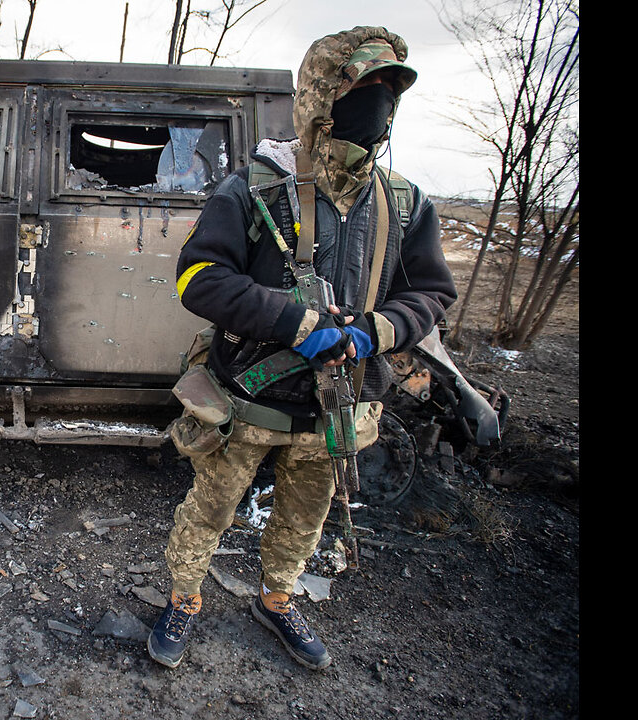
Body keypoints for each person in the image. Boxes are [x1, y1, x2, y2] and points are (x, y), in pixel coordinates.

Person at [148, 26, 457, 671]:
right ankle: (183, 598)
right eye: (361, 87)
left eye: (388, 91)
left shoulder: (403, 204)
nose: (378, 104)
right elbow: (197, 278)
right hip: (250, 398)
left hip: (340, 408)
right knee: (210, 508)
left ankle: (278, 600)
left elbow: (430, 291)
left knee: (304, 517)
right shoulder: (255, 188)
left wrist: (376, 330)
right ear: (322, 95)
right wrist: (296, 323)